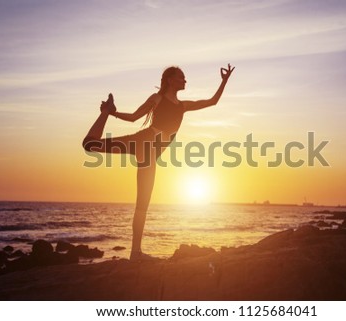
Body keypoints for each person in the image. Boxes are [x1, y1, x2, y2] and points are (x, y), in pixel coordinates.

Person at [83, 64, 235, 261]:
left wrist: (224, 81)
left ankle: (135, 253)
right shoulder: (157, 98)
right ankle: (104, 111)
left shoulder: (183, 106)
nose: (185, 80)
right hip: (142, 141)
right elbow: (133, 118)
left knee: (142, 205)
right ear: (170, 79)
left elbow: (212, 102)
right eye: (181, 77)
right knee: (90, 145)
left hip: (150, 155)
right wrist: (112, 113)